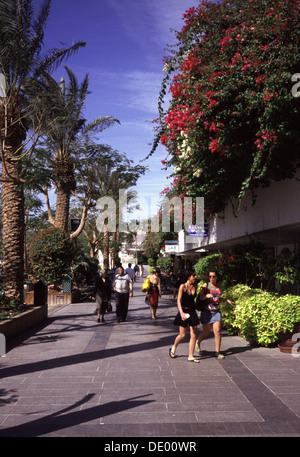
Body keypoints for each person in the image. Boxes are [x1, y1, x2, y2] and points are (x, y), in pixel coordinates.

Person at [195, 270, 234, 359]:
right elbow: (201, 297)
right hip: (206, 312)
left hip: (216, 312)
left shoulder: (218, 286)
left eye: (213, 276)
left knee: (217, 332)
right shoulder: (206, 285)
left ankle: (217, 352)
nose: (211, 278)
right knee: (206, 332)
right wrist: (207, 296)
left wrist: (226, 300)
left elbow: (217, 299)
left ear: (217, 277)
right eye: (210, 276)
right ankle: (198, 341)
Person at [169, 271, 200, 363]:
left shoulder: (196, 286)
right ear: (188, 276)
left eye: (195, 275)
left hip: (192, 311)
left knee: (194, 333)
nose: (195, 276)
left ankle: (191, 355)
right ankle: (174, 347)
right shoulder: (183, 286)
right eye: (193, 275)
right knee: (182, 335)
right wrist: (181, 312)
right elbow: (178, 300)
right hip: (184, 311)